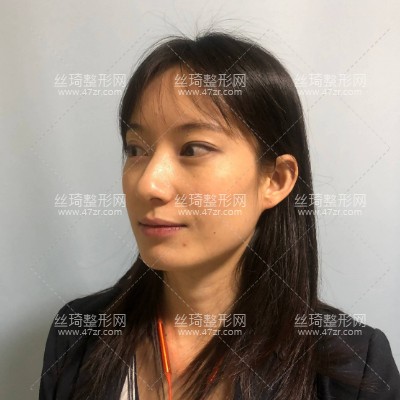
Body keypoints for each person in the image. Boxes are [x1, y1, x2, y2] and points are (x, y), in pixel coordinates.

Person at [39, 31, 400, 400]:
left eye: (193, 149)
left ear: (275, 180)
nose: (148, 184)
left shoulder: (353, 367)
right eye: (136, 149)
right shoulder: (79, 336)